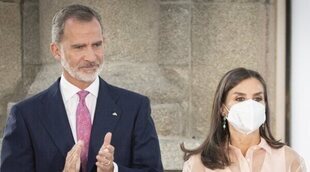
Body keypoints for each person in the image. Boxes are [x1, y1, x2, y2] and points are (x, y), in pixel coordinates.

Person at [0, 4, 163, 172]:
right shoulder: (25, 115)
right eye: (79, 47)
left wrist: (113, 170)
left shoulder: (135, 107)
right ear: (56, 51)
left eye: (97, 45)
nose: (91, 57)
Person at [181, 67, 307, 172]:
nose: (250, 106)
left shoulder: (290, 160)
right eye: (240, 99)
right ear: (222, 108)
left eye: (257, 99)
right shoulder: (198, 164)